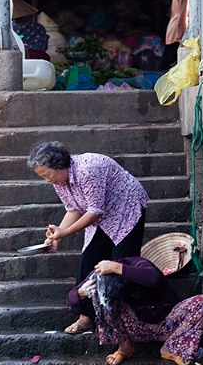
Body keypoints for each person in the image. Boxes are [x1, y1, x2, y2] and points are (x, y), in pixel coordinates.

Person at [27, 142, 149, 333]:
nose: (47, 180)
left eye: (47, 174)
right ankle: (86, 317)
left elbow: (95, 211)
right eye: (42, 177)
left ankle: (122, 321)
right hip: (101, 214)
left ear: (59, 165)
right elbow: (73, 209)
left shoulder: (88, 170)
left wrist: (65, 232)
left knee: (119, 263)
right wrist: (56, 238)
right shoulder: (60, 181)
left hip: (127, 209)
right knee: (89, 260)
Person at [66, 256, 203, 365]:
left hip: (168, 324)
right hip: (135, 328)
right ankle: (125, 347)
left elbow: (153, 278)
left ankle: (172, 348)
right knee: (102, 296)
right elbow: (70, 299)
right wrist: (81, 292)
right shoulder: (98, 274)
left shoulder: (136, 263)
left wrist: (118, 268)